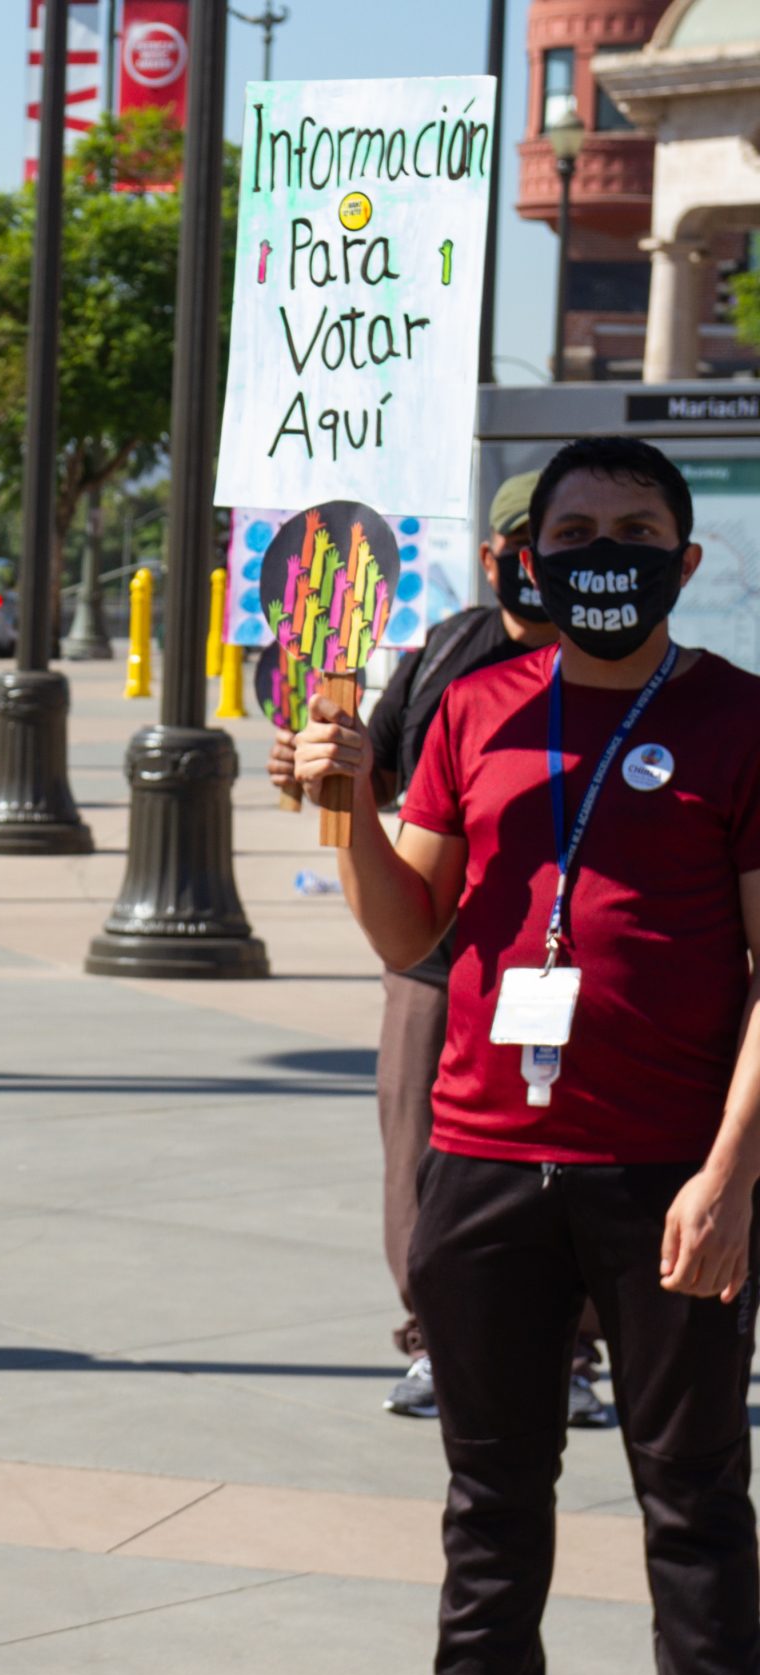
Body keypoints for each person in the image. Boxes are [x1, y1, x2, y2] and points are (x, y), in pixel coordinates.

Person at [296, 437, 760, 1675]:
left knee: (696, 1498)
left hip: (668, 1174)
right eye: (574, 537)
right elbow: (411, 936)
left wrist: (729, 1179)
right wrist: (350, 810)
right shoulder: (472, 709)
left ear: (685, 557)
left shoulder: (738, 717)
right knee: (490, 1504)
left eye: (632, 533)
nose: (603, 558)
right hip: (485, 1160)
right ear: (527, 562)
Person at [267, 473, 611, 1427]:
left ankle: (572, 1354)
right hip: (431, 960)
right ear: (499, 557)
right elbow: (364, 774)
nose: (541, 567)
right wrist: (315, 766)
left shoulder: (621, 665)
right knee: (416, 1154)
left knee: (569, 1164)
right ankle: (435, 1342)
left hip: (557, 965)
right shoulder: (449, 652)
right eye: (528, 545)